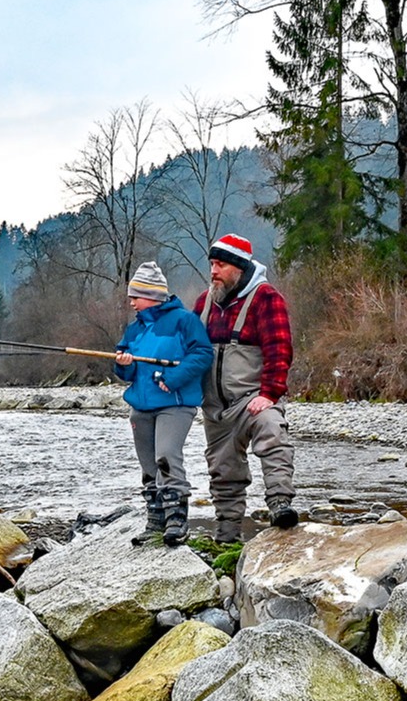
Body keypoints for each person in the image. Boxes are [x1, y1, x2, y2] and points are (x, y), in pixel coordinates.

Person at [193, 233, 296, 543]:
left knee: (272, 432)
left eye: (220, 265)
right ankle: (226, 536)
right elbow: (188, 351)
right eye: (211, 264)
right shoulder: (203, 302)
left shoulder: (266, 298)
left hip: (254, 398)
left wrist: (269, 394)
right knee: (223, 473)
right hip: (215, 407)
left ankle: (280, 504)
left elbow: (280, 348)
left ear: (238, 267)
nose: (213, 271)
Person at [113, 262, 213, 546]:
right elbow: (125, 372)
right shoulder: (134, 329)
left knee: (167, 456)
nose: (131, 301)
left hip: (176, 404)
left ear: (153, 295)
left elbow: (203, 354)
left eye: (136, 296)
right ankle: (155, 523)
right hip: (140, 406)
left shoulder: (184, 321)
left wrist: (174, 377)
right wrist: (123, 365)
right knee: (148, 466)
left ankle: (177, 522)